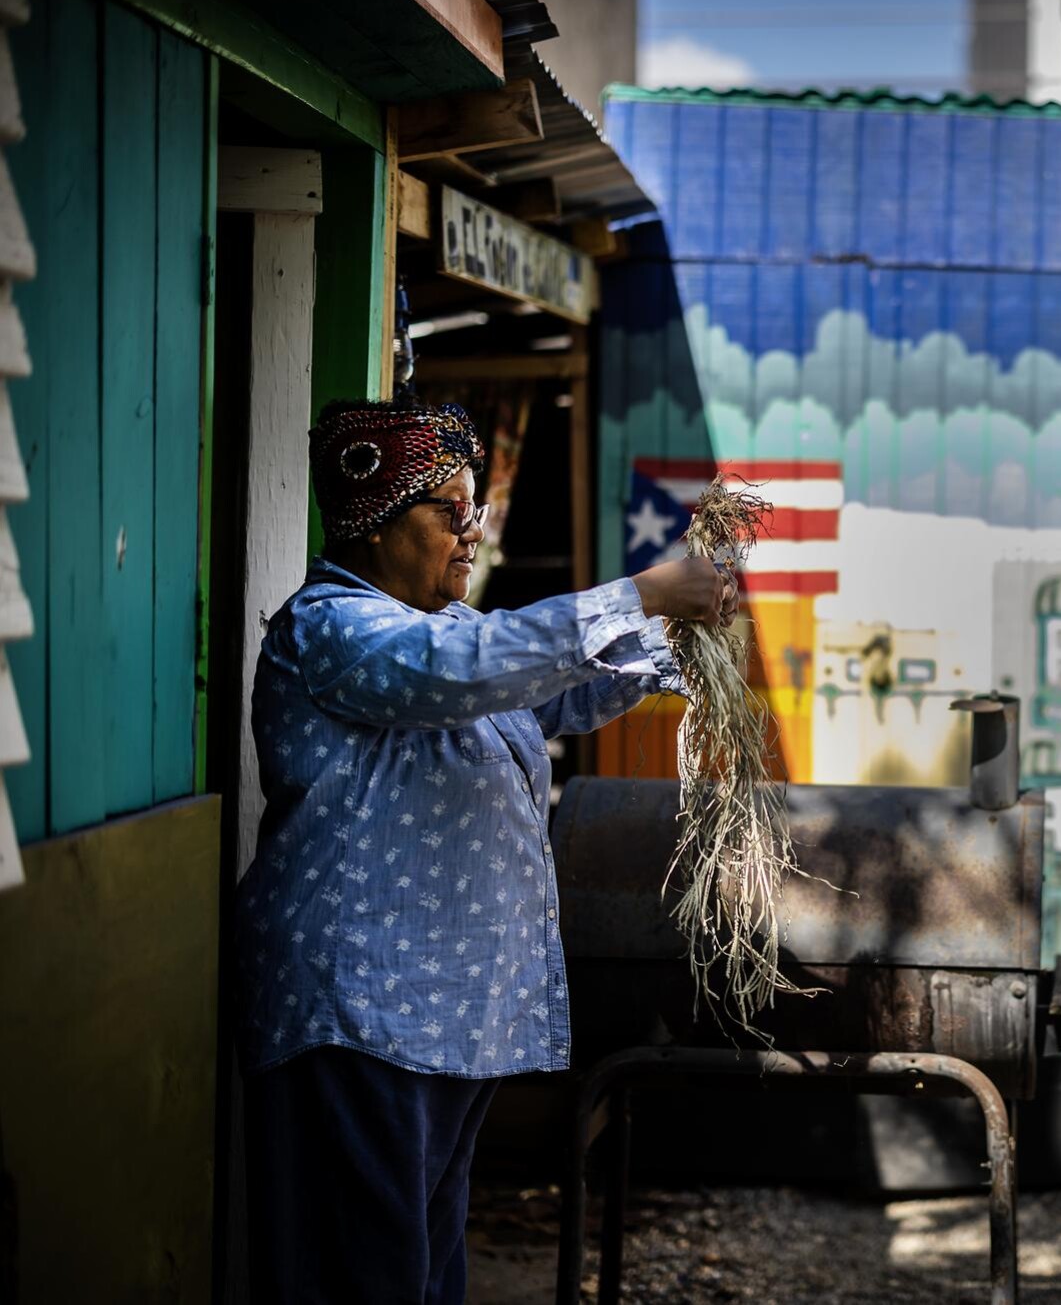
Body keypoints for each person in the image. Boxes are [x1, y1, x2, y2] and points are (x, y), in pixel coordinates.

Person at [234, 399, 735, 1305]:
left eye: (476, 510)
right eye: (447, 513)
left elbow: (552, 696)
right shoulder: (333, 627)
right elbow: (463, 672)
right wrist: (643, 594)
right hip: (363, 1013)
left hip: (445, 1016)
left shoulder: (455, 633)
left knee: (424, 1262)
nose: (471, 534)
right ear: (374, 526)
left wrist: (676, 642)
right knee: (366, 1268)